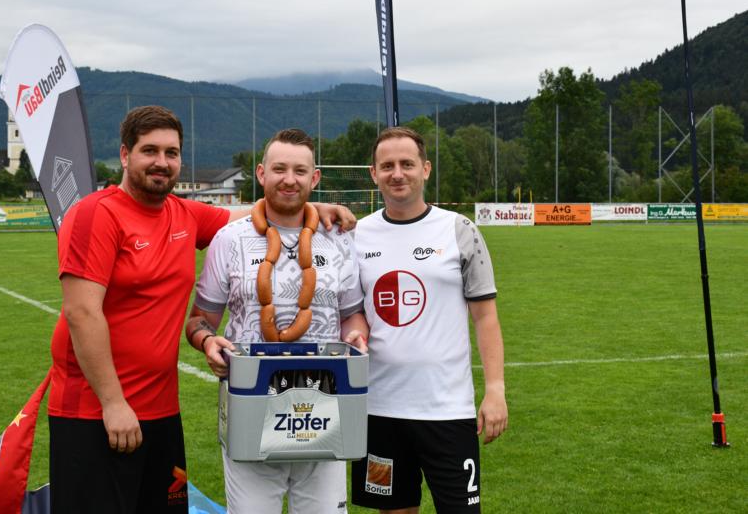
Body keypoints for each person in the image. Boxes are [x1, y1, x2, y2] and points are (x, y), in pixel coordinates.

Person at [47, 107, 355, 514]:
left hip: (160, 409)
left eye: (171, 153)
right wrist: (113, 403)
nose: (161, 162)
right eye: (149, 151)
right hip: (96, 410)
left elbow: (264, 213)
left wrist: (316, 209)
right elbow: (82, 313)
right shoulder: (95, 213)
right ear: (124, 155)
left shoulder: (185, 214)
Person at [186, 128, 369, 514]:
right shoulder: (228, 240)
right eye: (280, 169)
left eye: (300, 171)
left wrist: (356, 335)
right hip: (252, 411)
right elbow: (199, 320)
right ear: (261, 173)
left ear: (314, 178)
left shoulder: (338, 239)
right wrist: (207, 341)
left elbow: (352, 314)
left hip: (325, 409)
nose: (289, 179)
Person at [350, 127, 508, 514]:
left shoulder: (459, 230)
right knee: (394, 511)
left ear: (425, 169)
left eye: (407, 164)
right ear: (373, 173)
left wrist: (495, 390)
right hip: (380, 409)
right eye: (387, 165)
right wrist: (356, 331)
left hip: (447, 410)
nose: (397, 173)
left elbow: (485, 317)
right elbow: (354, 311)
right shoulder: (357, 235)